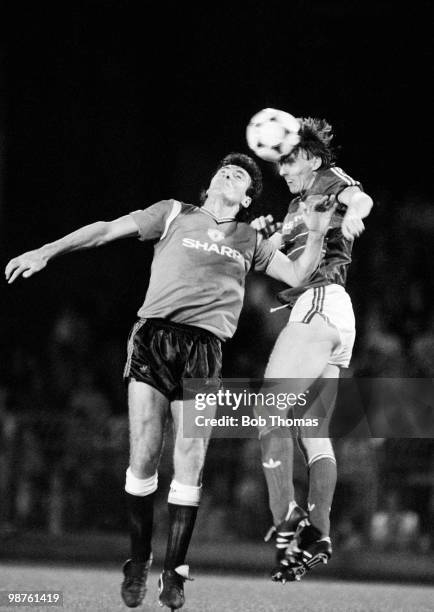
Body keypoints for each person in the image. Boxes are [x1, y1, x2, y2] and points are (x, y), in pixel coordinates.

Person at [5, 152, 336, 610]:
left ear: (245, 198)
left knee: (190, 459)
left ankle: (174, 572)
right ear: (211, 182)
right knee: (143, 453)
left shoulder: (249, 239)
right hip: (154, 337)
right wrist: (46, 251)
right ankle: (138, 560)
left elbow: (299, 274)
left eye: (241, 175)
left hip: (205, 349)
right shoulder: (174, 213)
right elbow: (104, 230)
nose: (230, 172)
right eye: (225, 168)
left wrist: (317, 233)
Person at [253, 118, 373, 583]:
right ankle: (319, 531)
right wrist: (268, 241)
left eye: (288, 158)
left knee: (268, 411)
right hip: (330, 312)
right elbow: (290, 269)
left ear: (312, 157)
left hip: (321, 303)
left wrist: (358, 211)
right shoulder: (294, 205)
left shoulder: (327, 179)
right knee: (311, 432)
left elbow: (357, 195)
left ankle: (287, 519)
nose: (282, 168)